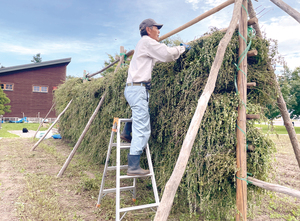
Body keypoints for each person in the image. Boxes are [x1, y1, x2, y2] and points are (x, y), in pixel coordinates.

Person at [122, 18, 189, 176]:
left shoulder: (143, 45)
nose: (159, 31)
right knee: (143, 127)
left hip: (134, 88)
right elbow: (166, 54)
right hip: (138, 88)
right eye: (156, 28)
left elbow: (160, 57)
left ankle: (127, 130)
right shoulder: (146, 42)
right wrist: (182, 49)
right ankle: (133, 165)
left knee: (140, 114)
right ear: (148, 30)